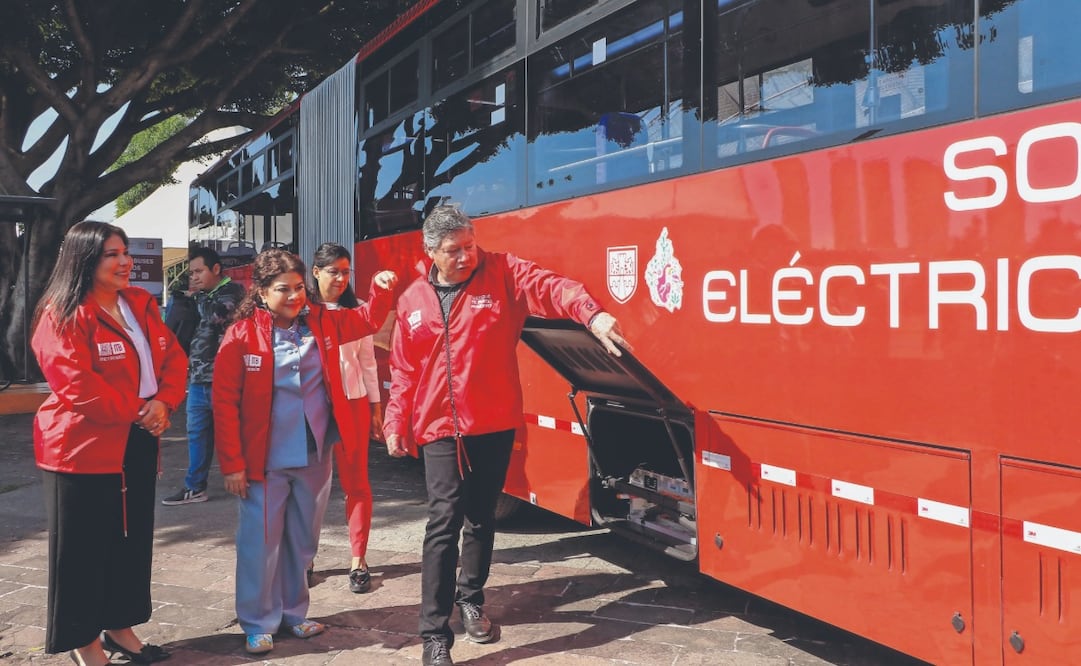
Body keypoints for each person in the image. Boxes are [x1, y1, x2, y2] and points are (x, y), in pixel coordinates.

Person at [383, 205, 628, 666]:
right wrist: (396, 422)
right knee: (443, 525)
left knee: (481, 517)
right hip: (439, 429)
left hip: (492, 423)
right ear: (431, 252)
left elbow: (552, 287)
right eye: (454, 250)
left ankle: (471, 600)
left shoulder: (504, 273)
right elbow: (403, 371)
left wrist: (591, 315)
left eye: (470, 245)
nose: (465, 256)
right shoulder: (413, 300)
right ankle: (434, 635)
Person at [212, 249, 397, 655]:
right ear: (261, 292)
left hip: (315, 453)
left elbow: (366, 320)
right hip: (263, 460)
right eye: (283, 289)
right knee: (260, 543)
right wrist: (233, 465)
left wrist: (380, 290)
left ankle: (294, 612)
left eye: (299, 288)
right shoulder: (241, 335)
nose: (295, 296)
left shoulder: (322, 321)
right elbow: (224, 403)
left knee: (301, 539)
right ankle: (258, 620)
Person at [31, 221, 188, 666]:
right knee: (82, 551)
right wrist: (143, 409)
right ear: (84, 259)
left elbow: (173, 358)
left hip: (137, 441)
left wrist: (164, 403)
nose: (125, 262)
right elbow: (76, 385)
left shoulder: (139, 303)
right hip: (80, 450)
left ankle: (120, 627)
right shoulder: (62, 313)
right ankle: (85, 642)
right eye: (112, 255)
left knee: (130, 541)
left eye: (125, 252)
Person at [308, 242, 385, 593]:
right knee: (310, 486)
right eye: (333, 271)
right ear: (316, 272)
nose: (340, 278)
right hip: (315, 406)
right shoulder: (303, 311)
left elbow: (368, 362)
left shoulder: (359, 312)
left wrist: (375, 407)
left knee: (357, 483)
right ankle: (305, 556)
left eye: (345, 271)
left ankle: (358, 558)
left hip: (353, 402)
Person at [162, 246, 245, 506]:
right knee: (197, 433)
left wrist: (196, 298)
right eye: (192, 273)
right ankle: (194, 486)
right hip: (198, 378)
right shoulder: (202, 296)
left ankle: (252, 480)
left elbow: (218, 315)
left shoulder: (233, 291)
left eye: (199, 271)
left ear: (216, 269)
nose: (194, 277)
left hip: (226, 379)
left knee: (238, 433)